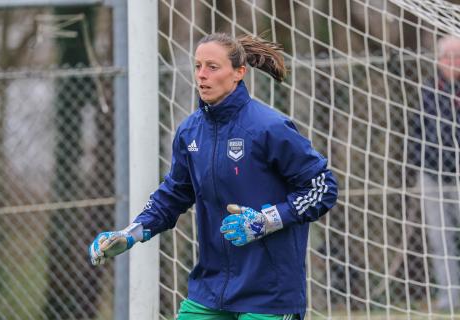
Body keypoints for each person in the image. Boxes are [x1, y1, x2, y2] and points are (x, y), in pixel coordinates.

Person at [89, 32, 338, 319]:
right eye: (197, 66)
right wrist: (130, 234)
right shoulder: (189, 132)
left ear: (238, 73)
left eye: (212, 67)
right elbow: (173, 195)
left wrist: (265, 221)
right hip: (211, 289)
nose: (202, 75)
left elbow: (323, 187)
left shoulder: (270, 127)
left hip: (270, 294)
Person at [412, 34, 460, 311]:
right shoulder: (428, 90)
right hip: (433, 176)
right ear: (439, 60)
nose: (452, 62)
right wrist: (419, 164)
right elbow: (416, 131)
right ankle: (449, 299)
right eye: (448, 56)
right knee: (440, 240)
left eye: (457, 56)